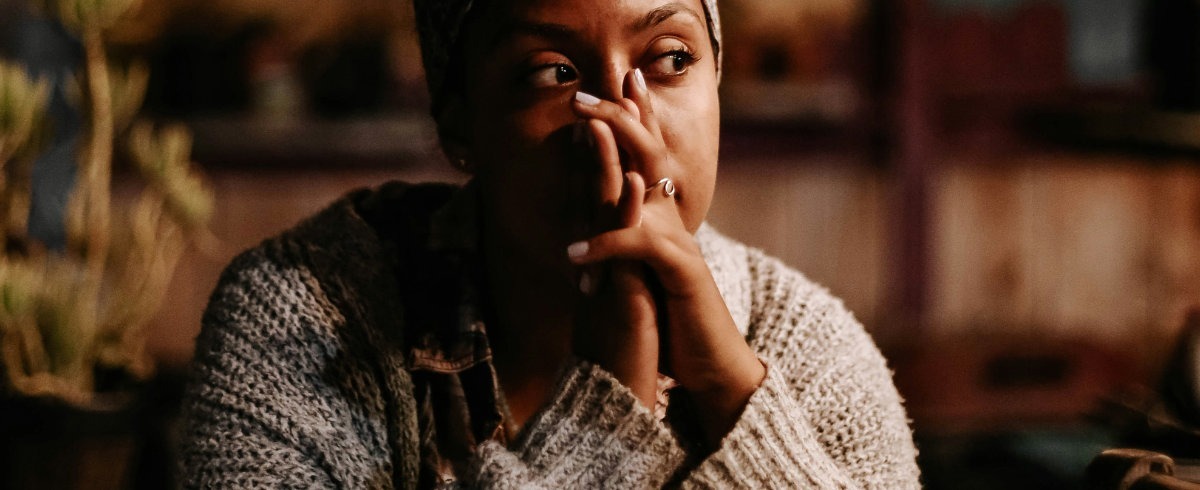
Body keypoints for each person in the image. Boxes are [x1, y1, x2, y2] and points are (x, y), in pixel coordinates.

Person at [179, 0, 922, 488]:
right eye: (554, 73)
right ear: (459, 120)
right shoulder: (298, 321)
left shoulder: (800, 345)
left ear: (718, 78)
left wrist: (731, 386)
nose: (622, 124)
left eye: (670, 60)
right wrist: (607, 410)